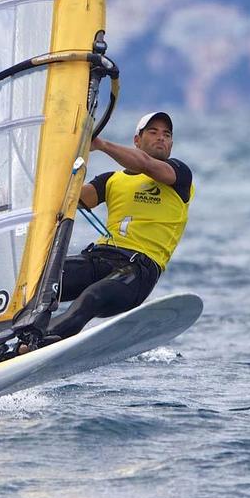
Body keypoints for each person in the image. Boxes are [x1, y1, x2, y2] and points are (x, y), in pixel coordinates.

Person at [40, 111, 195, 342]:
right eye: (153, 132)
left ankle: (37, 343)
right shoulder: (112, 180)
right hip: (99, 258)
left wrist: (100, 144)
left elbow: (145, 164)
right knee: (41, 280)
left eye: (167, 134)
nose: (161, 137)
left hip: (137, 270)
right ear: (137, 140)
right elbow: (70, 199)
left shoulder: (178, 175)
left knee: (91, 297)